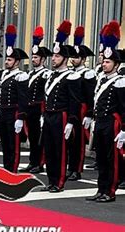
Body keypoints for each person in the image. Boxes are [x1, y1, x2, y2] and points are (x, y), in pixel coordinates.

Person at [86, 21, 125, 202]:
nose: (105, 64)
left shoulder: (119, 81)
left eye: (109, 62)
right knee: (100, 158)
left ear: (116, 65)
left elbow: (123, 106)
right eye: (104, 61)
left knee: (112, 160)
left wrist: (124, 129)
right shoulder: (101, 79)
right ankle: (100, 189)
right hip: (100, 121)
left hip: (112, 123)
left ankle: (110, 191)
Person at [42, 20, 81, 193]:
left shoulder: (71, 77)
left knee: (60, 151)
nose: (53, 59)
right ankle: (51, 180)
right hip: (50, 115)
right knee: (49, 150)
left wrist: (71, 121)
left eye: (57, 56)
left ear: (64, 58)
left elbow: (74, 101)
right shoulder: (51, 76)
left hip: (61, 116)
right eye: (53, 56)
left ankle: (59, 182)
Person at [0, 25, 29, 173]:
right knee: (5, 143)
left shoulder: (21, 76)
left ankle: (13, 170)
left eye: (9, 60)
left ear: (17, 62)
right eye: (6, 59)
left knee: (13, 145)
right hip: (3, 112)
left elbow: (23, 99)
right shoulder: (4, 75)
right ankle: (6, 168)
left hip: (13, 112)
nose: (6, 62)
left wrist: (21, 117)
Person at [19, 26, 52, 174]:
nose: (33, 59)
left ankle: (39, 163)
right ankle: (33, 161)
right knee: (31, 137)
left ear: (43, 59)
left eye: (36, 57)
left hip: (40, 108)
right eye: (32, 57)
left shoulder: (46, 74)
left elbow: (47, 93)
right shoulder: (30, 73)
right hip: (30, 109)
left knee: (39, 138)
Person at [67, 26, 97, 181]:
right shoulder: (71, 73)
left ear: (84, 59)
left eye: (76, 57)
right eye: (72, 56)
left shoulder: (88, 73)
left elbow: (91, 95)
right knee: (70, 141)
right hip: (71, 109)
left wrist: (90, 113)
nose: (73, 59)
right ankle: (70, 167)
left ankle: (76, 169)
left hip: (82, 109)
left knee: (78, 142)